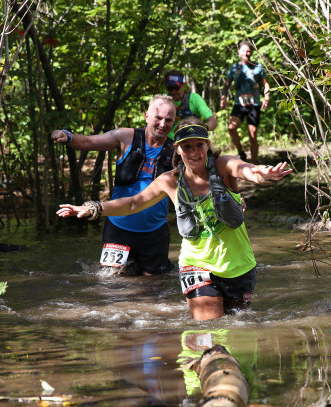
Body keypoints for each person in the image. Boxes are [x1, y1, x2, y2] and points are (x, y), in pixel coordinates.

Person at [57, 117, 292, 320]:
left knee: (236, 328)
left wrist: (263, 173)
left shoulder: (222, 166)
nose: (194, 152)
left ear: (208, 145)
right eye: (186, 146)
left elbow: (245, 169)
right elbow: (132, 203)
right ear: (178, 150)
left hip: (239, 265)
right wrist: (94, 207)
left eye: (199, 145)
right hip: (196, 265)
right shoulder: (169, 181)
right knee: (210, 328)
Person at [51, 94, 176, 276]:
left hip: (155, 233)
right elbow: (88, 141)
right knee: (113, 287)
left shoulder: (177, 151)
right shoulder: (126, 137)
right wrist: (67, 136)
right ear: (147, 116)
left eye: (168, 120)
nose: (163, 124)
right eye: (158, 118)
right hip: (118, 228)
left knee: (153, 289)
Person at [220, 40, 271, 164]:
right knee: (231, 128)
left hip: (254, 105)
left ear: (251, 52)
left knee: (252, 136)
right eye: (243, 50)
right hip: (239, 104)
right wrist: (223, 98)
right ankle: (241, 152)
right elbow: (226, 85)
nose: (246, 53)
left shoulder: (258, 67)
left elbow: (266, 84)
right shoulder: (234, 68)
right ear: (239, 52)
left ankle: (254, 165)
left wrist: (267, 97)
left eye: (248, 51)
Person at [164, 70, 218, 139]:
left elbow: (213, 122)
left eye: (176, 88)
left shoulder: (194, 99)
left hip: (190, 140)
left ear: (183, 85)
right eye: (170, 88)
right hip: (167, 141)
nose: (173, 91)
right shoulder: (163, 100)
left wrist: (201, 129)